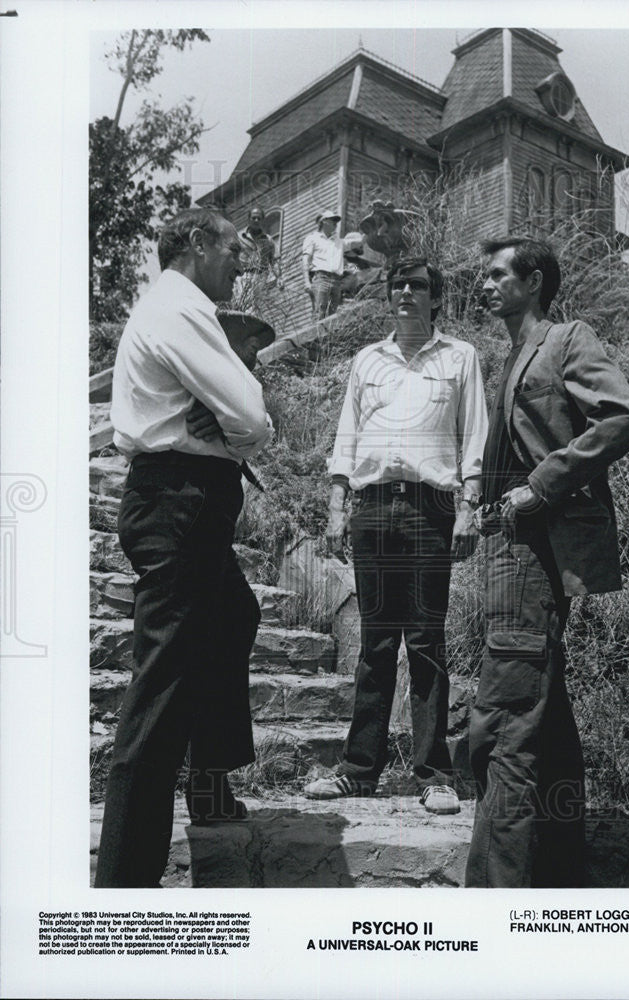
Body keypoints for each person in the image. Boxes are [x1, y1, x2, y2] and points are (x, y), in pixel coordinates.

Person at [94, 207, 274, 888]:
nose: (241, 261)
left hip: (185, 497)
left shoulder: (178, 306)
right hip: (178, 500)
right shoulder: (180, 306)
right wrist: (240, 424)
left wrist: (232, 419)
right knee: (160, 688)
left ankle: (208, 779)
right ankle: (123, 882)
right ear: (197, 243)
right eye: (232, 249)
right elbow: (253, 416)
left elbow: (237, 412)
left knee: (235, 614)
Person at [465, 236, 629, 887]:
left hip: (536, 550)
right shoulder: (510, 356)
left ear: (532, 279)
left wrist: (539, 486)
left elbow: (621, 417)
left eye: (495, 275)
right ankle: (561, 867)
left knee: (506, 719)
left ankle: (494, 897)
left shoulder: (566, 338)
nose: (482, 285)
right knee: (542, 708)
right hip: (507, 546)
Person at [304, 257, 489, 815]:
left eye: (418, 285)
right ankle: (359, 769)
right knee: (377, 644)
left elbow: (475, 433)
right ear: (389, 296)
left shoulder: (461, 357)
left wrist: (469, 507)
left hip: (431, 509)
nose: (407, 292)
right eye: (398, 285)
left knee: (427, 643)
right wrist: (337, 504)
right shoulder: (368, 359)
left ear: (436, 297)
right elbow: (347, 433)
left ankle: (434, 774)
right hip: (374, 508)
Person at [301, 210, 352, 319]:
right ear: (324, 221)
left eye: (336, 221)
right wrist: (306, 281)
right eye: (332, 220)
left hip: (337, 281)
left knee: (333, 317)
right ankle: (318, 335)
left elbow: (359, 242)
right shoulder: (313, 238)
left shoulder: (338, 241)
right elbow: (306, 259)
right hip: (321, 279)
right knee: (320, 312)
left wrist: (374, 228)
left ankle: (330, 336)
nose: (335, 223)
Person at [239, 207, 283, 290]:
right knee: (242, 301)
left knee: (256, 302)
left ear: (262, 221)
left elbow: (275, 261)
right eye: (254, 218)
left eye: (259, 218)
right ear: (248, 220)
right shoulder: (239, 238)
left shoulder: (268, 240)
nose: (256, 220)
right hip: (243, 276)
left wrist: (279, 277)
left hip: (260, 278)